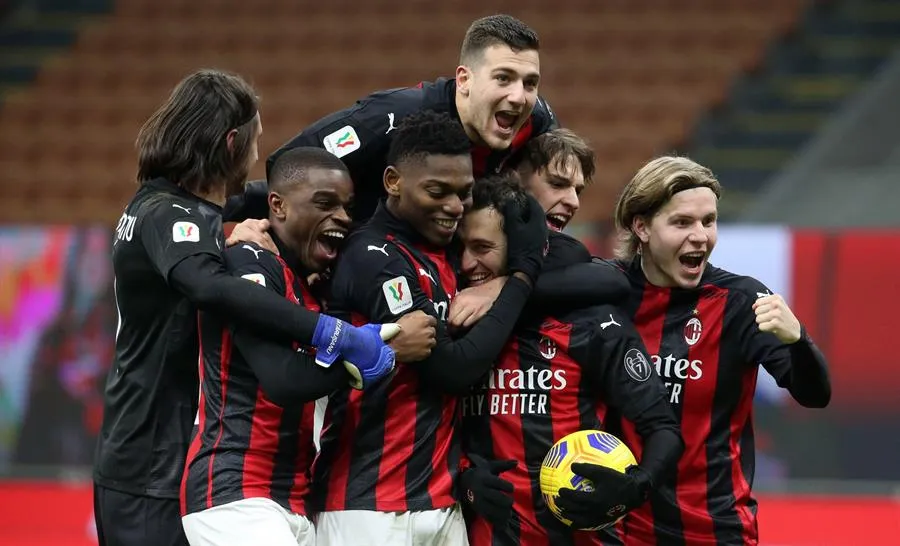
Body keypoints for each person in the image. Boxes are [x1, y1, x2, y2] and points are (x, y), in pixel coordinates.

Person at [93, 70, 397, 546]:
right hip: (150, 463)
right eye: (256, 141)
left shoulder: (184, 207)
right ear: (233, 141)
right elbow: (210, 287)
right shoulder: (167, 215)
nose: (260, 154)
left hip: (158, 453)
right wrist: (334, 334)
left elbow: (291, 193)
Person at [535, 156, 831, 545]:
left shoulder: (740, 301)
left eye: (708, 221)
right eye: (682, 222)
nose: (700, 236)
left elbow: (814, 395)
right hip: (615, 529)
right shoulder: (602, 294)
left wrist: (799, 341)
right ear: (641, 226)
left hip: (715, 530)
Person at [310, 111, 549, 545]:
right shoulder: (373, 257)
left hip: (441, 503)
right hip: (367, 508)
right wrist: (520, 278)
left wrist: (503, 281)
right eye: (437, 192)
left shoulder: (444, 255)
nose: (455, 208)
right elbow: (450, 371)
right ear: (392, 181)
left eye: (464, 193)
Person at [180, 147, 438, 546]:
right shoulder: (250, 262)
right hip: (234, 491)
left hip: (293, 499)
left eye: (347, 206)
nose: (342, 217)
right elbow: (280, 380)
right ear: (278, 206)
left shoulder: (310, 284)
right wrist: (384, 353)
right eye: (324, 203)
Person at [455, 174, 683, 546]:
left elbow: (662, 426)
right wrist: (465, 481)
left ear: (518, 248)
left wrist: (638, 484)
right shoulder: (457, 320)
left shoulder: (595, 323)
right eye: (460, 246)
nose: (467, 263)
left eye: (482, 247)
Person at [224, 13, 556, 224]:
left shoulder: (534, 119)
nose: (519, 96)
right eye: (503, 78)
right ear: (464, 80)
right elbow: (287, 163)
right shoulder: (392, 117)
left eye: (530, 83)